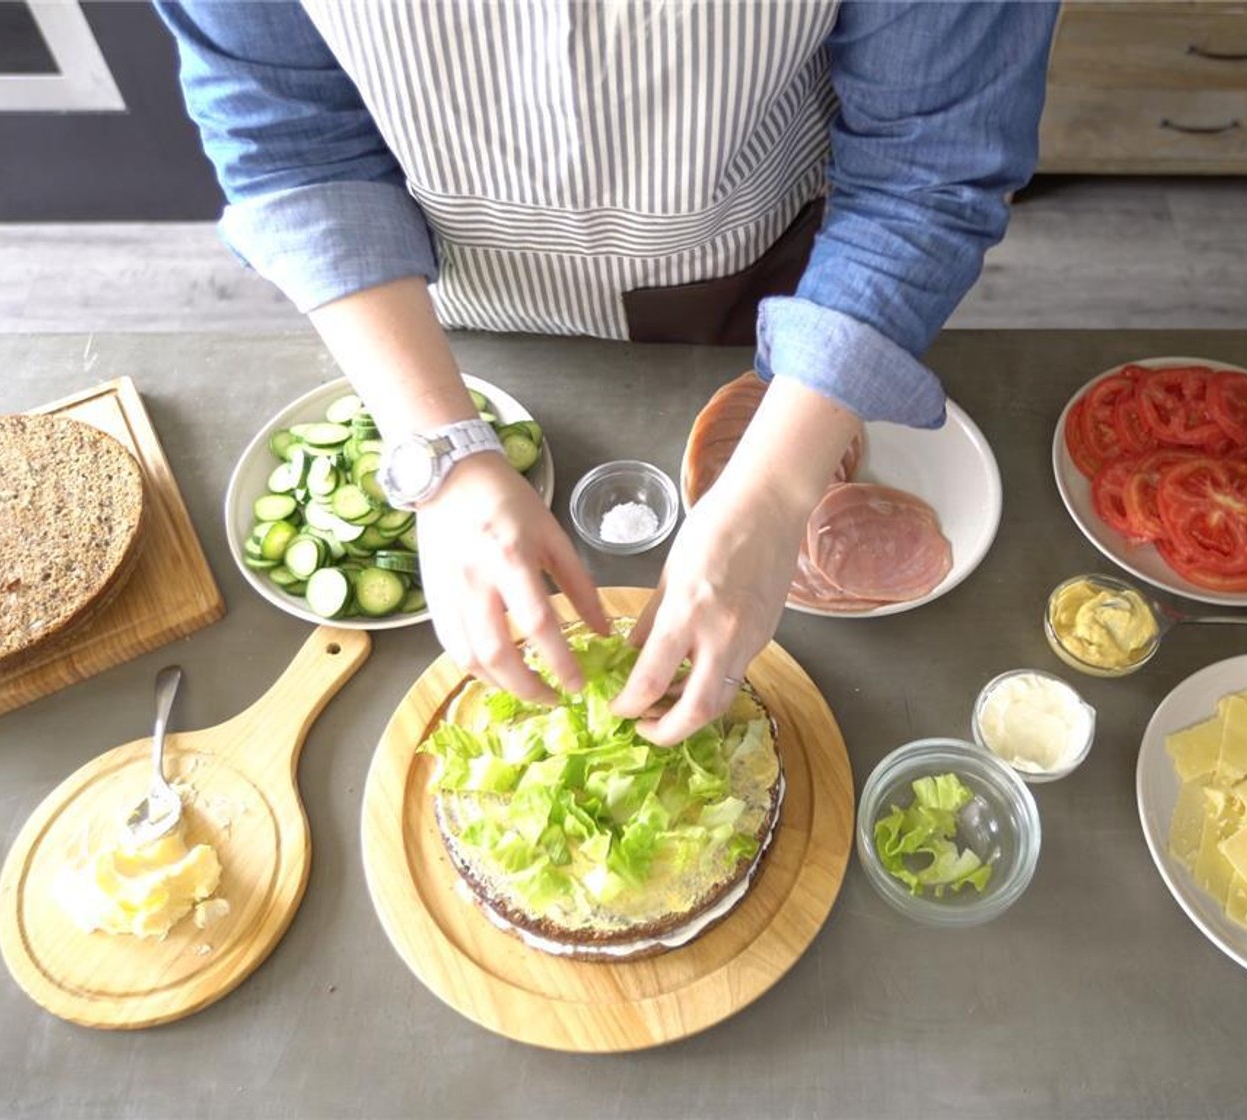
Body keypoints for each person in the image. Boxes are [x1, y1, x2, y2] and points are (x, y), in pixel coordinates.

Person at [154, 0, 1059, 744]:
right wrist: (437, 443)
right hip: (435, 297)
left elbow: (928, 164)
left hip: (753, 268)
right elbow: (287, 134)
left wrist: (779, 491)